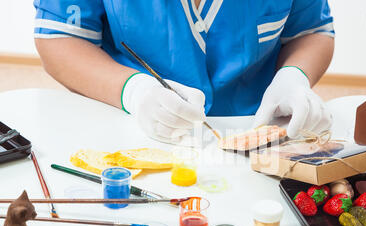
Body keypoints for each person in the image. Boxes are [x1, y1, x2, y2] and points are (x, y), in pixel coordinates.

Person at [34, 0, 335, 144]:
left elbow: (311, 32)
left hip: (255, 133)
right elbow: (62, 39)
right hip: (130, 125)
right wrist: (134, 92)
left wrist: (294, 76)